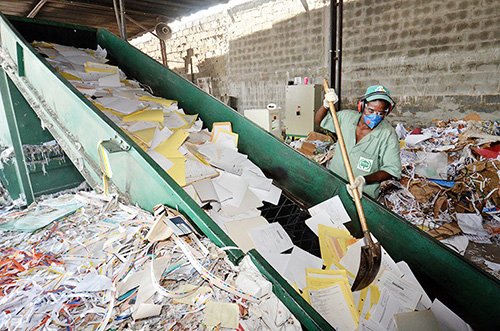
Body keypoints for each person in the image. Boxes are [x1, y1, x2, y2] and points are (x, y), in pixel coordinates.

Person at [314, 85, 401, 199]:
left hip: (361, 195)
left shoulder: (387, 134)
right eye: (371, 110)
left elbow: (392, 169)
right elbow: (319, 121)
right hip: (333, 184)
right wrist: (325, 106)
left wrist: (363, 180)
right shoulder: (346, 118)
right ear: (362, 106)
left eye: (381, 113)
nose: (375, 116)